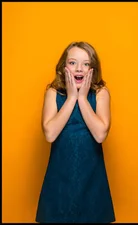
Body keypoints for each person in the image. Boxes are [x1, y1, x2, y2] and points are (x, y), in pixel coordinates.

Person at [37, 41, 115, 223]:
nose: (79, 68)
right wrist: (72, 97)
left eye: (86, 64)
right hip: (59, 180)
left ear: (93, 69)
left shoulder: (101, 93)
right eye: (73, 63)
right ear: (63, 67)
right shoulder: (53, 93)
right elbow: (50, 134)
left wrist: (82, 98)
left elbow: (100, 134)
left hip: (92, 179)